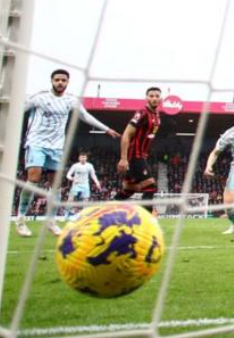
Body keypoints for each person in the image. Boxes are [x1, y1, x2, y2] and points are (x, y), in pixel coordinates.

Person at [15, 69, 119, 237]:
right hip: (36, 143)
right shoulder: (39, 97)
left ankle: (51, 221)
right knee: (33, 178)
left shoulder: (71, 100)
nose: (60, 82)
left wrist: (106, 129)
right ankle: (21, 220)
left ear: (67, 82)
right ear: (52, 81)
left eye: (63, 80)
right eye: (57, 80)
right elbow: (18, 110)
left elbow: (85, 116)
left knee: (55, 185)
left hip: (56, 147)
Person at [115, 87, 162, 212]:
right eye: (151, 96)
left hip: (142, 155)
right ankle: (146, 222)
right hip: (134, 155)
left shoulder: (157, 115)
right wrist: (124, 158)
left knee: (130, 189)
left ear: (160, 98)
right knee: (150, 186)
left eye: (157, 96)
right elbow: (126, 134)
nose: (154, 98)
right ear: (146, 98)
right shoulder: (142, 112)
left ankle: (104, 210)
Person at [64, 151, 101, 221]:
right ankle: (66, 214)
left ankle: (84, 216)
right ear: (79, 158)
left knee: (86, 200)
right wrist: (71, 178)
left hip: (85, 184)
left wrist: (97, 183)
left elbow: (93, 175)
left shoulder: (90, 165)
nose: (83, 158)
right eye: (81, 157)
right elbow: (68, 175)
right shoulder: (75, 166)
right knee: (70, 199)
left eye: (84, 157)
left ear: (86, 158)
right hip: (76, 184)